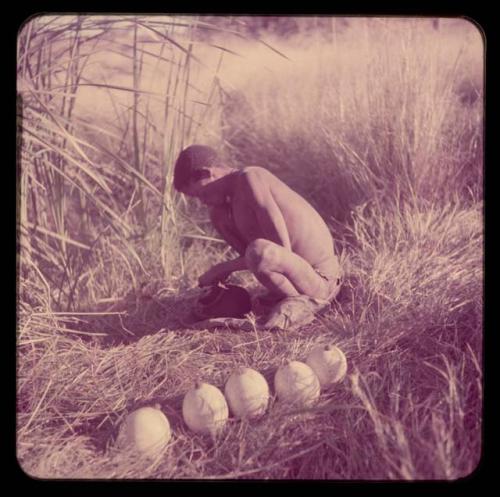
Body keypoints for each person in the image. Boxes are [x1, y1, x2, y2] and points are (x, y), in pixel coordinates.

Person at [173, 144, 343, 328]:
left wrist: (222, 268)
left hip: (320, 279)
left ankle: (305, 304)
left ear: (207, 173)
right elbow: (252, 260)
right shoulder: (222, 212)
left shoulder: (250, 177)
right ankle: (292, 300)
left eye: (201, 193)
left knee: (259, 251)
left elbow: (276, 250)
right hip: (294, 279)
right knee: (224, 222)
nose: (203, 202)